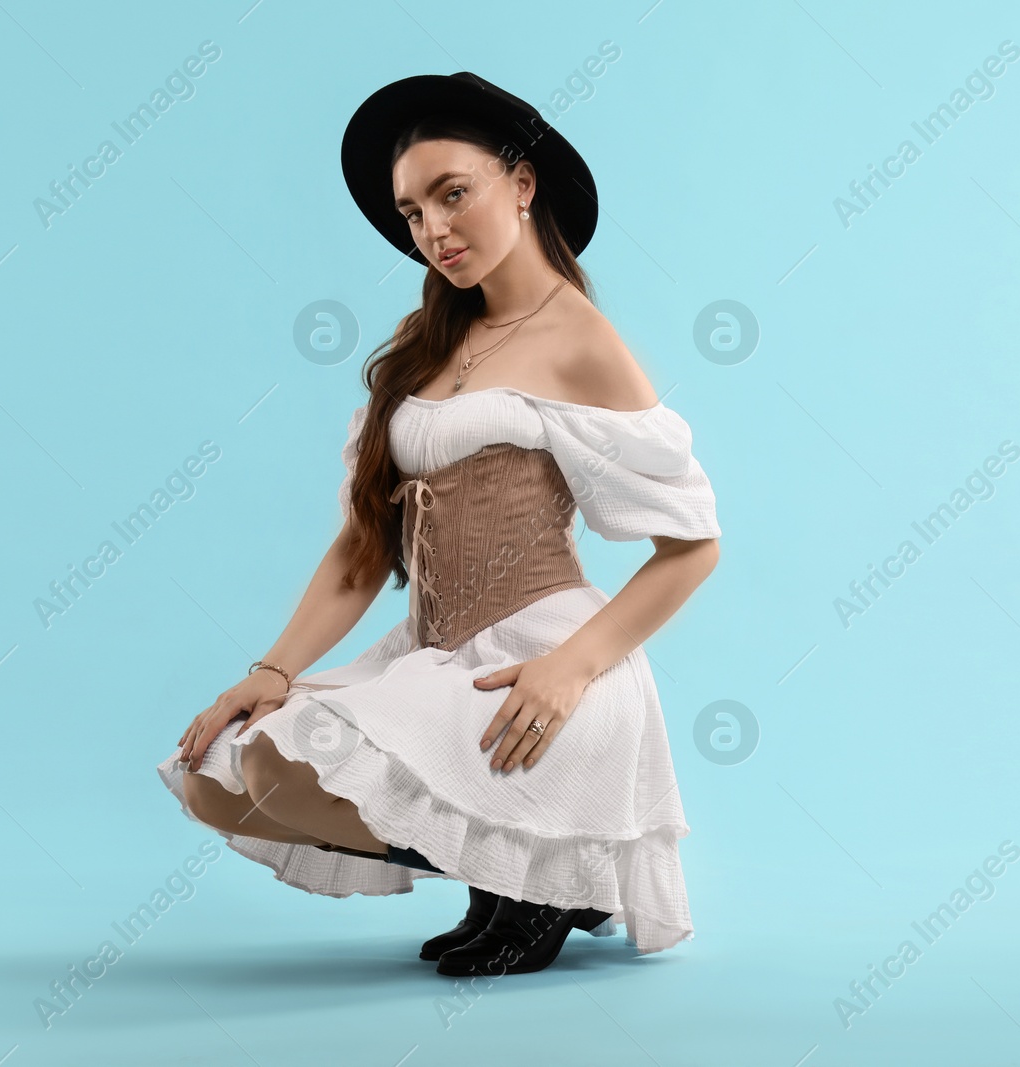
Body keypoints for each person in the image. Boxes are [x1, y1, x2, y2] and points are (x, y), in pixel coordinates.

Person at [156, 72, 723, 977]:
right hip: (438, 655)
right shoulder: (430, 344)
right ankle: (521, 877)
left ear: (523, 184)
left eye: (453, 194)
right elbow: (361, 550)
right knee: (234, 770)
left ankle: (542, 882)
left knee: (278, 770)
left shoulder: (582, 340)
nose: (433, 231)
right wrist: (268, 672)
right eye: (412, 213)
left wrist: (570, 667)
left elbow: (692, 546)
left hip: (543, 667)